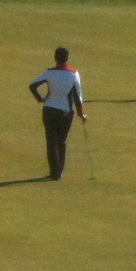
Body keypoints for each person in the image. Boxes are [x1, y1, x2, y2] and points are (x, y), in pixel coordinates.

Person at [28, 47, 87, 180]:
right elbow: (78, 97)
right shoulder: (73, 74)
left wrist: (40, 99)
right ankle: (59, 172)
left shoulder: (49, 73)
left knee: (51, 141)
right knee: (62, 141)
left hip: (49, 109)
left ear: (55, 58)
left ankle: (54, 172)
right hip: (66, 112)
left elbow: (32, 85)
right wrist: (81, 114)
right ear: (67, 58)